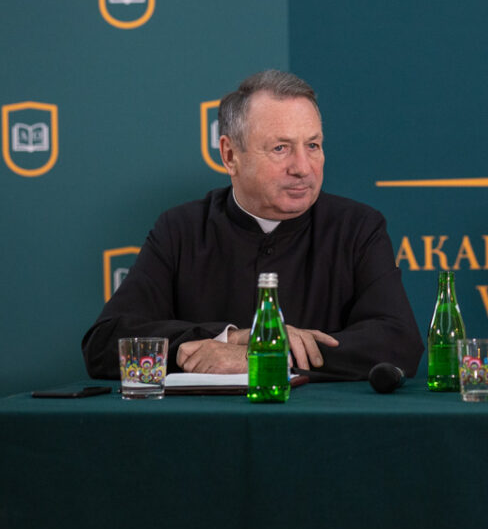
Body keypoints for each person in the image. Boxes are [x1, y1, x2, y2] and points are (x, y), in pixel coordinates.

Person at [82, 70, 423, 381]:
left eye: (313, 146)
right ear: (230, 155)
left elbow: (399, 344)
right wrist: (229, 338)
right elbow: (104, 345)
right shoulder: (181, 229)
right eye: (280, 148)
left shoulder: (358, 227)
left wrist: (263, 354)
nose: (303, 167)